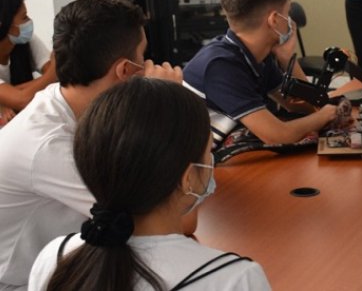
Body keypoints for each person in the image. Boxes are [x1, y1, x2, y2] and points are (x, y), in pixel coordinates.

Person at [0, 0, 182, 290]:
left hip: (67, 263)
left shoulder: (81, 109)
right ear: (125, 71)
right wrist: (169, 110)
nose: (149, 65)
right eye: (144, 56)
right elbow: (166, 223)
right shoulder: (47, 143)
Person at [28, 78, 271, 291]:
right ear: (187, 179)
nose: (212, 162)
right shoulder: (234, 279)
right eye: (208, 152)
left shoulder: (55, 258)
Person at [183, 0, 337, 147]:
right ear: (274, 20)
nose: (289, 21)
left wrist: (286, 58)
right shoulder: (220, 65)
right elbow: (277, 136)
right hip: (201, 167)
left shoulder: (257, 55)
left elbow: (303, 105)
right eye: (287, 14)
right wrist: (325, 115)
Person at [0, 0, 57, 125]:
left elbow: (58, 77)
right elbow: (22, 100)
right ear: (4, 24)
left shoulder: (26, 40)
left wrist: (7, 97)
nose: (29, 22)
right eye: (24, 17)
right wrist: (53, 70)